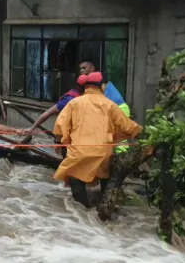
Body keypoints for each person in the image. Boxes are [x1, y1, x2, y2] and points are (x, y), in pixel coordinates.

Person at [53, 72, 142, 208]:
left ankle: (82, 213)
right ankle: (104, 211)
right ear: (101, 86)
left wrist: (58, 142)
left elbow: (59, 126)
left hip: (79, 153)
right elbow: (128, 127)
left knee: (76, 180)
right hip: (103, 153)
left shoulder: (73, 103)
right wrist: (143, 132)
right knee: (105, 178)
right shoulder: (110, 105)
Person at [26, 61, 132, 138]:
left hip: (117, 109)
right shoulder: (73, 99)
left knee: (117, 141)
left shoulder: (95, 85)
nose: (81, 70)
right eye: (80, 68)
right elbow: (54, 117)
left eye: (84, 68)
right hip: (114, 110)